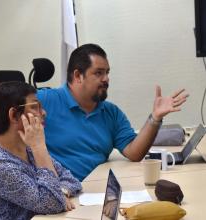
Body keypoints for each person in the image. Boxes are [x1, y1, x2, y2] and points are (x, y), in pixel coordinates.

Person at [38, 44, 188, 182]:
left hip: (96, 190)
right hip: (60, 194)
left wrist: (155, 117)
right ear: (78, 76)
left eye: (107, 72)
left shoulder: (111, 112)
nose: (106, 79)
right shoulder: (44, 101)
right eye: (98, 73)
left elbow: (134, 152)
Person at [0, 81, 82, 220]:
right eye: (35, 107)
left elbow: (70, 179)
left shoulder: (27, 148)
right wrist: (39, 147)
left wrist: (60, 192)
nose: (43, 113)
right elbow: (53, 203)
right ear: (13, 115)